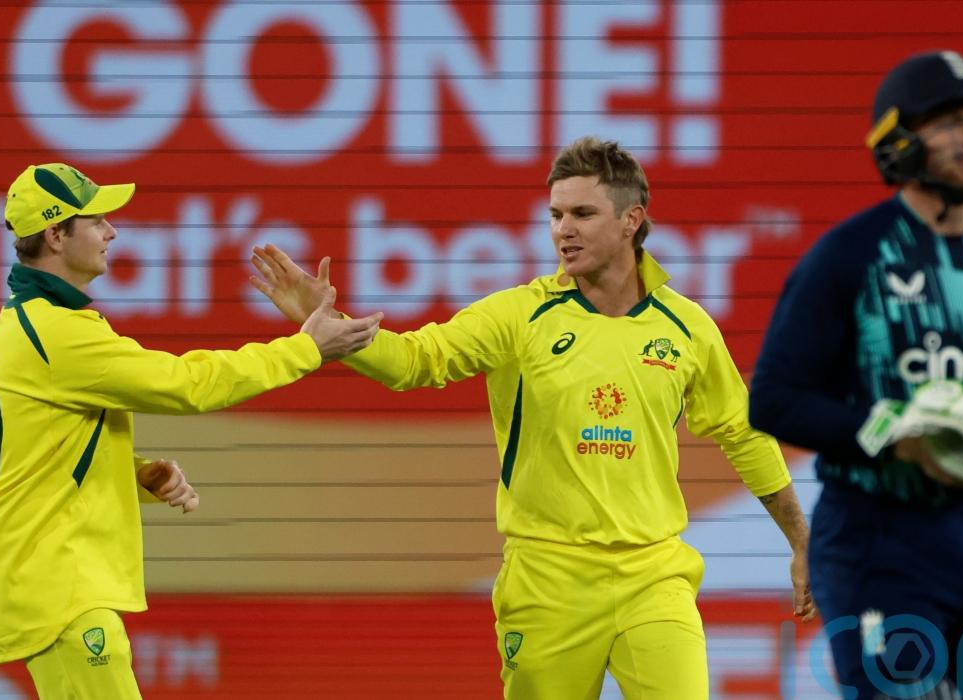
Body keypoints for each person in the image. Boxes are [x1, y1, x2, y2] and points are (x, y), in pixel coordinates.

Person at [249, 136, 817, 699]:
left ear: (631, 220)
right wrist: (328, 329)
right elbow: (417, 361)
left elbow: (742, 432)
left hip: (655, 575)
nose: (563, 230)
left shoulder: (687, 325)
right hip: (547, 583)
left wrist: (800, 539)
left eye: (582, 214)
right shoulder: (520, 315)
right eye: (555, 214)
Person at [0, 163, 383, 699]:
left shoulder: (31, 320)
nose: (111, 231)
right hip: (58, 584)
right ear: (55, 235)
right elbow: (188, 385)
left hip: (51, 578)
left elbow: (35, 450)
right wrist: (306, 349)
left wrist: (135, 474)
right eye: (96, 220)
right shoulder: (55, 331)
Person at [749, 50, 963, 699]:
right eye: (948, 122)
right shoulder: (850, 255)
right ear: (898, 143)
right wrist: (896, 437)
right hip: (872, 532)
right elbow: (774, 401)